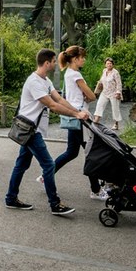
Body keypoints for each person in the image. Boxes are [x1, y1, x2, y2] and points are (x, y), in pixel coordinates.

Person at [5, 48, 89, 215]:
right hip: (29, 130)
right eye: (52, 62)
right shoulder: (34, 82)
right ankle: (55, 204)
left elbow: (59, 99)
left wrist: (77, 111)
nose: (55, 65)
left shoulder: (45, 80)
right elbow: (52, 105)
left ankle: (10, 198)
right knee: (49, 165)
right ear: (46, 63)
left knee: (21, 164)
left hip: (32, 129)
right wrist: (75, 114)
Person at [45, 45, 107, 201]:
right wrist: (98, 89)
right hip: (81, 117)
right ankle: (96, 190)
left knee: (72, 152)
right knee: (92, 153)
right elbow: (91, 96)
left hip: (74, 115)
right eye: (82, 57)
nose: (84, 59)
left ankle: (47, 174)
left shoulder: (68, 73)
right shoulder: (76, 75)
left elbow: (80, 96)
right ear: (74, 59)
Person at [93, 57, 123, 130]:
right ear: (105, 64)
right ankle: (96, 121)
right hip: (105, 92)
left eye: (110, 63)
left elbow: (119, 83)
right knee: (99, 105)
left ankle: (116, 124)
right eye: (107, 63)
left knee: (115, 108)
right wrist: (98, 87)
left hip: (113, 93)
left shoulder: (115, 72)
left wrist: (118, 92)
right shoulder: (104, 71)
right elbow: (101, 80)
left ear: (113, 64)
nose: (109, 65)